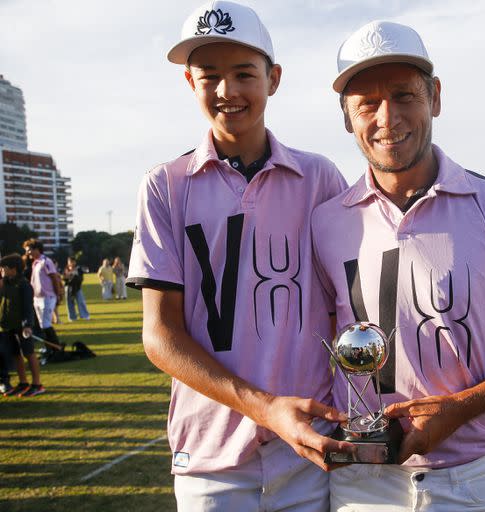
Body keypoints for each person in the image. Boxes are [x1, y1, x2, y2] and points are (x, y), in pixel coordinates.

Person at [312, 20, 485, 511]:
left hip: (478, 474)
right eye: (366, 104)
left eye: (404, 95)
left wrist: (457, 410)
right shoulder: (324, 221)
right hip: (362, 482)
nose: (387, 118)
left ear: (435, 96)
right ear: (347, 117)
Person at [126, 2, 350, 509]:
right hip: (210, 460)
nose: (227, 91)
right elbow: (160, 335)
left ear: (273, 79)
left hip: (308, 450)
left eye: (244, 74)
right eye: (210, 76)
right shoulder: (165, 184)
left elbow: (348, 310)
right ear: (190, 82)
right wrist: (265, 408)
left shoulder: (320, 178)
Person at [0, 253, 45, 397]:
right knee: (16, 354)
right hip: (8, 325)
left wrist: (27, 325)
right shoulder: (6, 282)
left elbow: (28, 307)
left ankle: (37, 384)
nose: (1, 271)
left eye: (4, 268)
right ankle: (23, 382)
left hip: (22, 326)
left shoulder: (24, 285)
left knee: (29, 354)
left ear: (13, 269)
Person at [22, 239, 62, 354]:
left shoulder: (46, 261)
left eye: (29, 250)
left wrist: (58, 294)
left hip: (47, 297)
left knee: (46, 325)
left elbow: (54, 278)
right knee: (42, 325)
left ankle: (55, 348)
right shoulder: (35, 262)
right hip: (37, 299)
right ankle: (49, 348)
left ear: (36, 249)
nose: (27, 253)